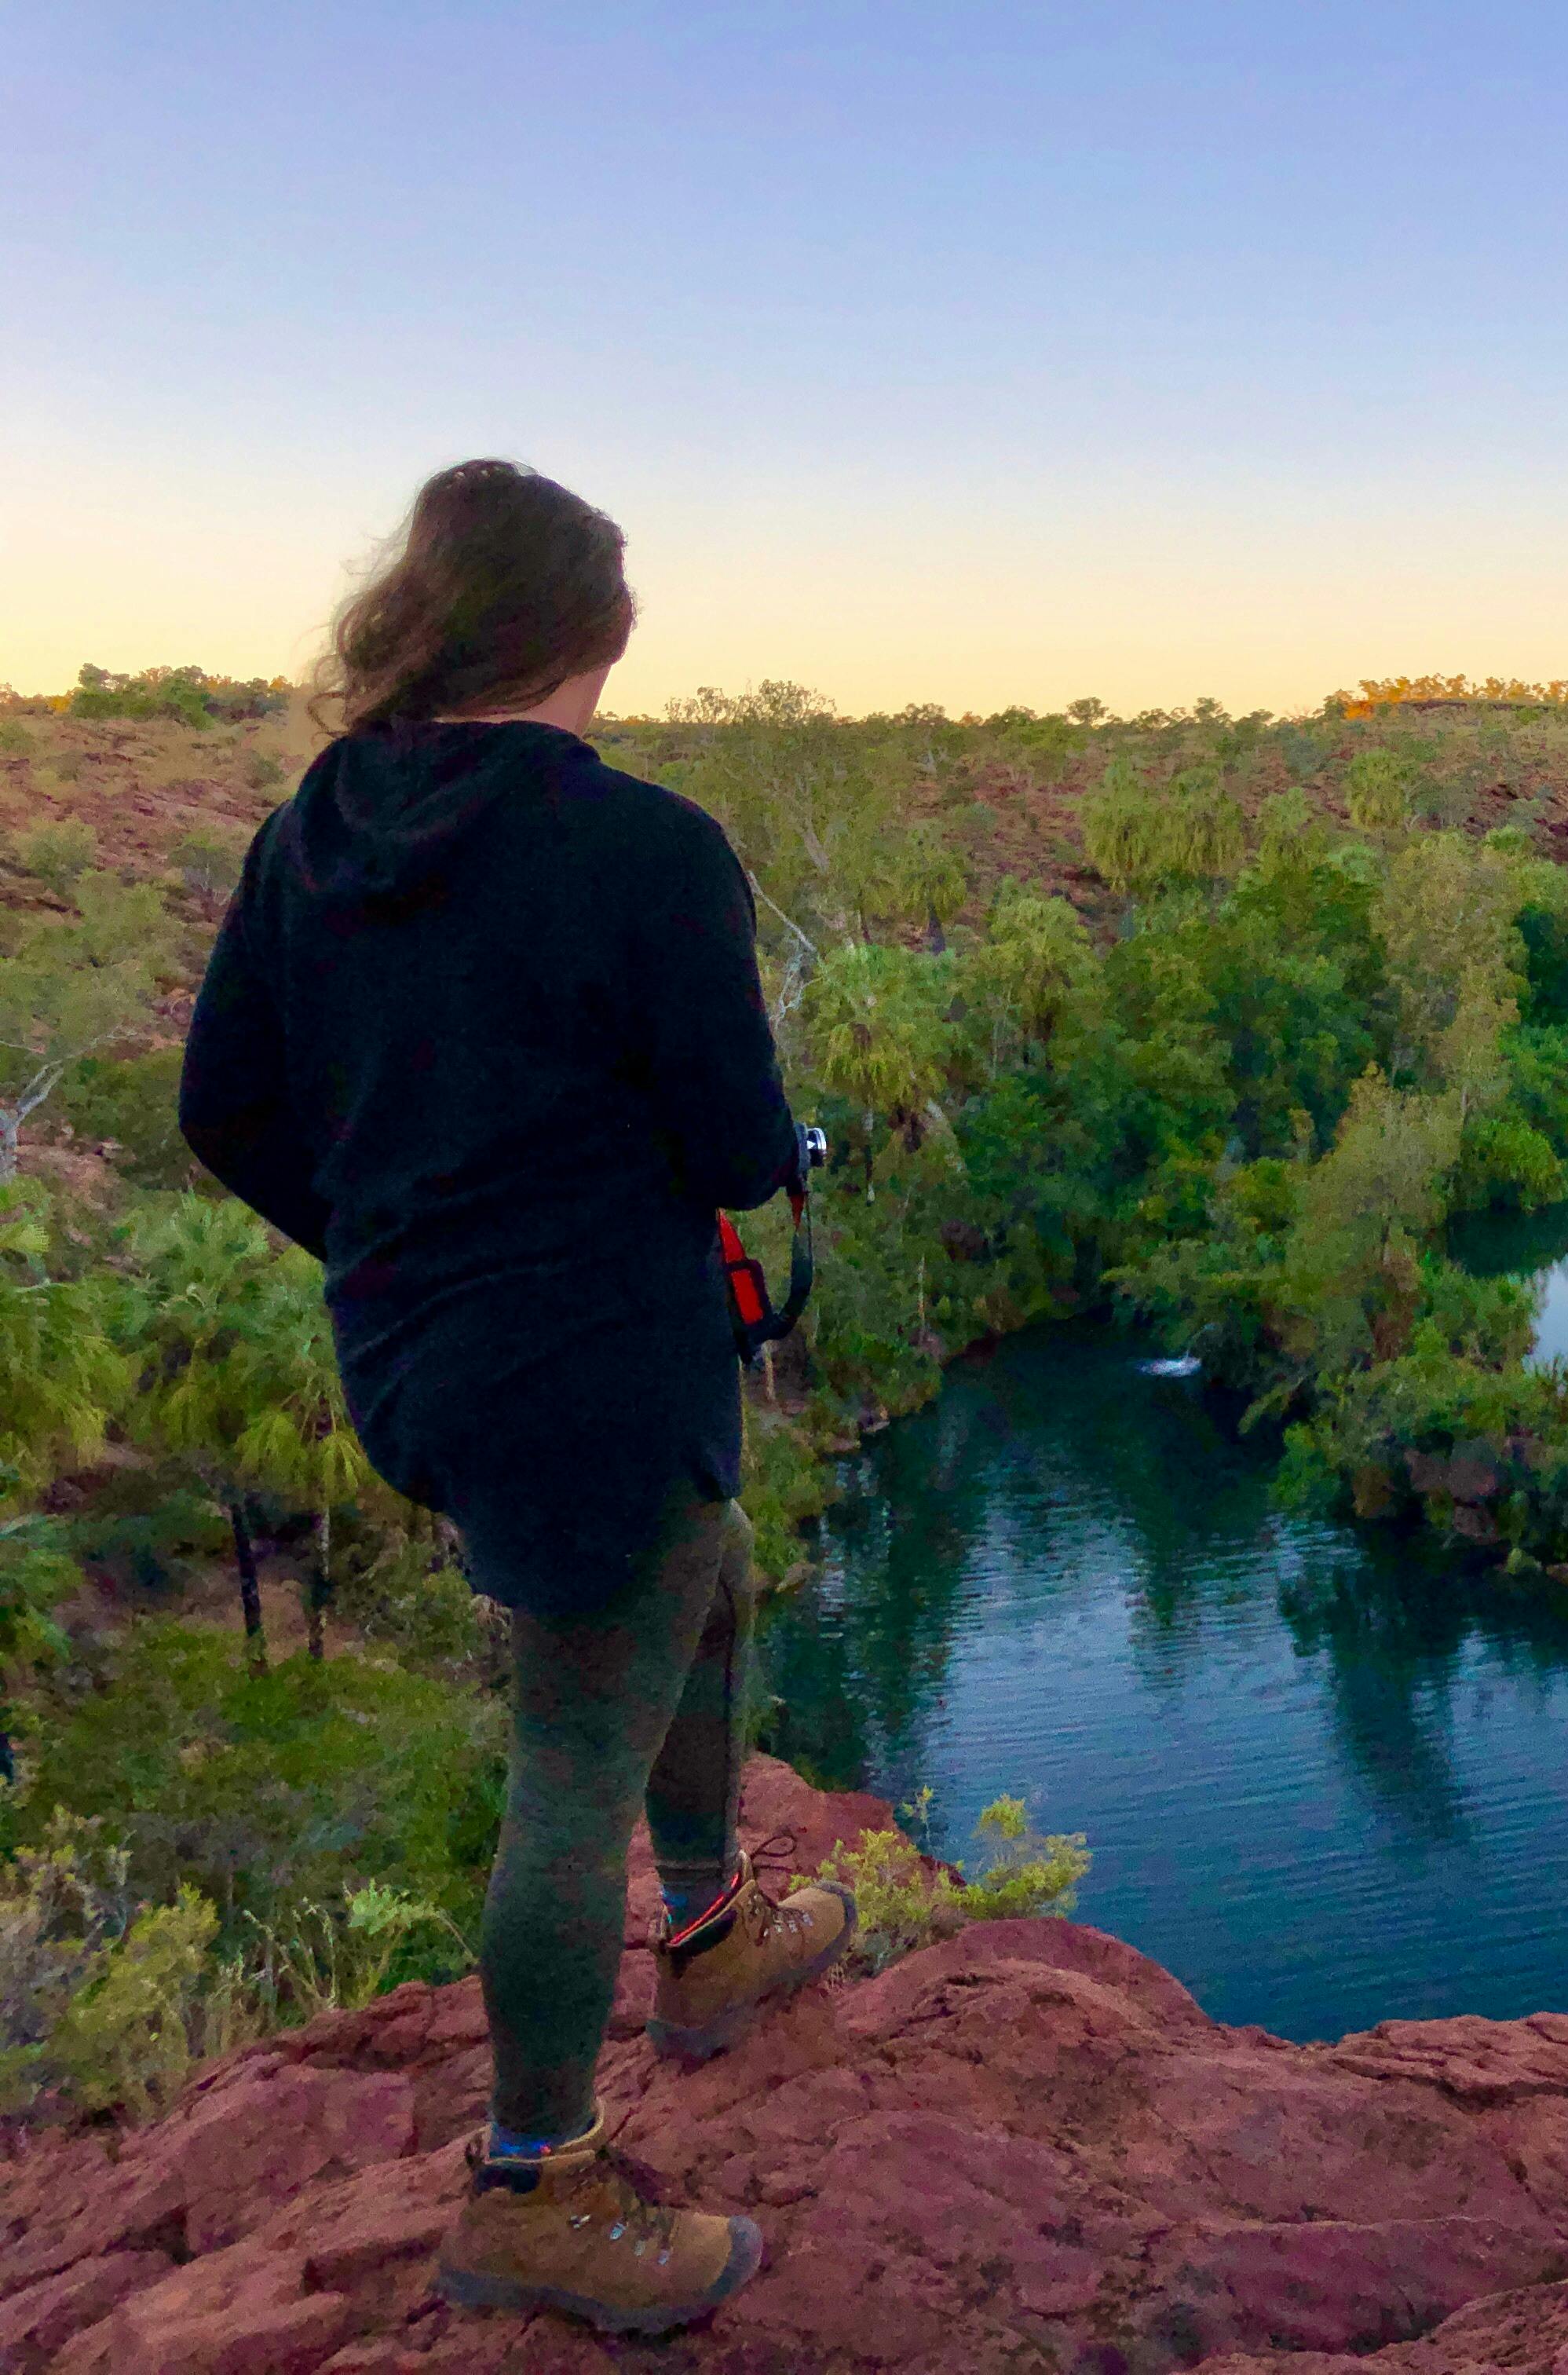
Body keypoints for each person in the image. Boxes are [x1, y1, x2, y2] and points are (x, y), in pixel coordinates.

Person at [178, 459, 853, 2337]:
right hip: (597, 1365)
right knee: (574, 1750)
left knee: (696, 1569)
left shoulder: (316, 826)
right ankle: (535, 2183)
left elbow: (221, 1108)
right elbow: (730, 1138)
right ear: (591, 638)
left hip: (422, 1355)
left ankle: (713, 1938)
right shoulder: (643, 848)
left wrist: (391, 1237)